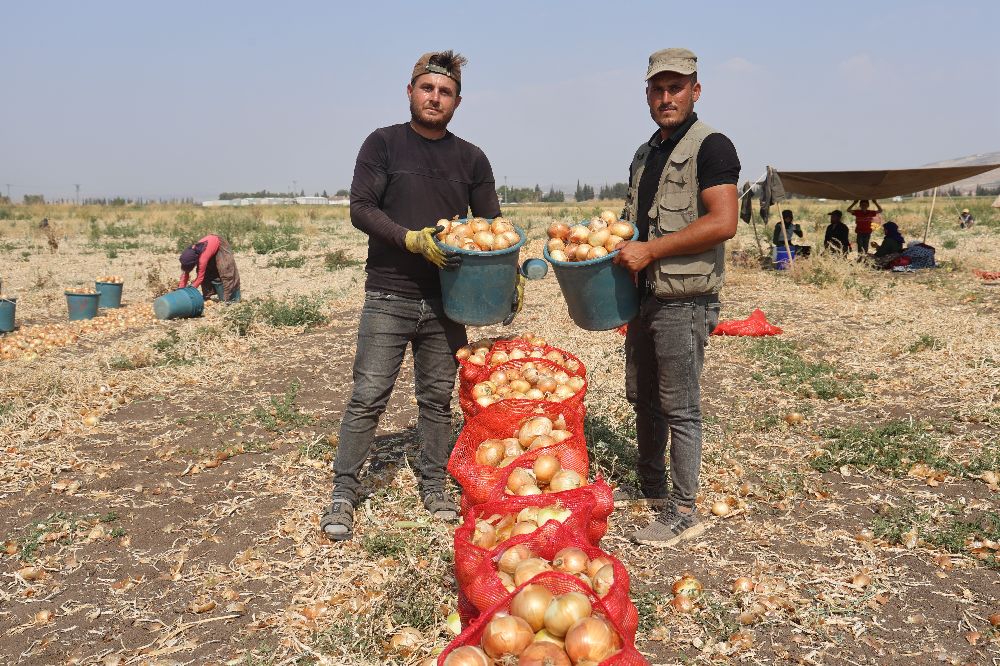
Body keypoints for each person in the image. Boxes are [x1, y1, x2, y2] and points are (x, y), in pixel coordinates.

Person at [321, 50, 506, 542]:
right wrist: (408, 239)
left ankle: (433, 482)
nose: (434, 98)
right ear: (410, 91)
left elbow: (492, 226)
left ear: (457, 102)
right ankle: (344, 489)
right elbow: (360, 208)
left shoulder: (471, 157)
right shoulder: (383, 144)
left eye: (445, 92)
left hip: (449, 301)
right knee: (368, 395)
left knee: (437, 399)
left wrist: (508, 273)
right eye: (427, 88)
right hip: (389, 292)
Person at [613, 48, 740, 547]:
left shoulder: (712, 147)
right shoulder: (646, 153)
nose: (667, 97)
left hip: (685, 299)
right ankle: (650, 485)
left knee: (680, 406)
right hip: (647, 297)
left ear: (695, 90)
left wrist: (651, 250)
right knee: (643, 397)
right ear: (647, 94)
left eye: (677, 88)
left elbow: (722, 222)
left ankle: (684, 509)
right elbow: (635, 226)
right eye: (658, 89)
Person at [178, 234, 241, 302]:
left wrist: (190, 291)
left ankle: (229, 298)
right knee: (208, 273)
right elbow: (185, 274)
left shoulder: (202, 259)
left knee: (225, 270)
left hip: (219, 243)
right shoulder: (187, 256)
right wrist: (181, 291)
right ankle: (207, 296)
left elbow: (200, 278)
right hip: (208, 248)